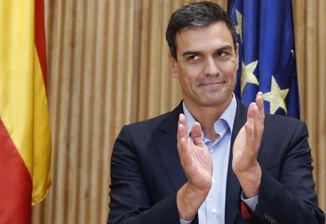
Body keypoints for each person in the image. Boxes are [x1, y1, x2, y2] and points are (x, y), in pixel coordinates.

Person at [108, 1, 325, 224]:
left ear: (237, 56)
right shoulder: (137, 143)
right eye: (194, 57)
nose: (211, 70)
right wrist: (189, 196)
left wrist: (253, 177)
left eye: (222, 53)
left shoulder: (286, 136)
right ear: (174, 65)